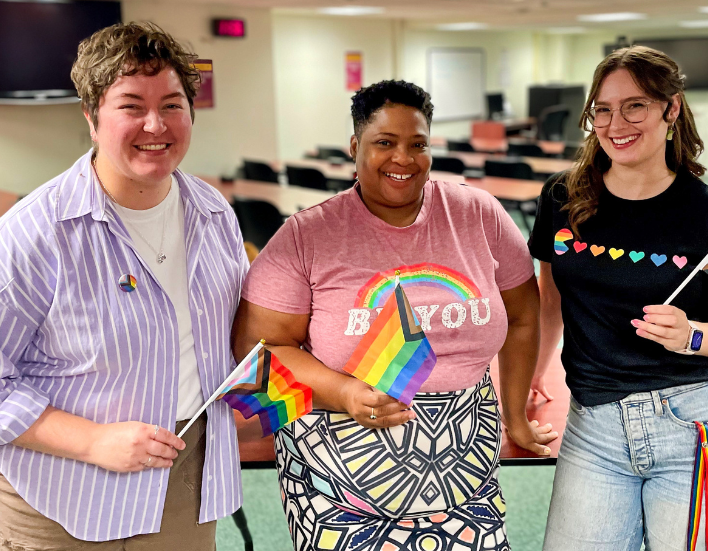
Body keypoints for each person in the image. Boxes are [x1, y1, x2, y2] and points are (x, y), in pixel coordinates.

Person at [0, 22, 250, 550]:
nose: (157, 124)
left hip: (181, 475)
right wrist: (93, 441)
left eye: (172, 104)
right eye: (131, 105)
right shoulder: (35, 235)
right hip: (59, 492)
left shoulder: (213, 213)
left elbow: (231, 332)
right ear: (91, 116)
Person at [232, 80, 557, 551]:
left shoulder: (478, 214)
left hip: (466, 470)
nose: (402, 158)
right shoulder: (308, 235)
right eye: (384, 142)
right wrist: (344, 391)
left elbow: (524, 316)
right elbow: (258, 352)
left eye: (417, 144)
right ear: (354, 146)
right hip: (341, 478)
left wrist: (516, 417)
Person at [530, 46, 708, 551]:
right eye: (602, 109)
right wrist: (532, 375)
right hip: (593, 424)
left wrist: (693, 334)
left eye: (634, 105)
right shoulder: (561, 198)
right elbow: (549, 301)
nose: (615, 122)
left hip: (699, 427)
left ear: (672, 108)